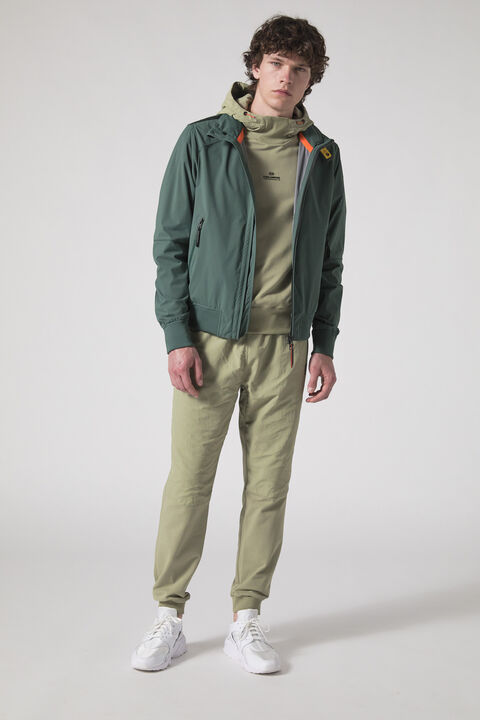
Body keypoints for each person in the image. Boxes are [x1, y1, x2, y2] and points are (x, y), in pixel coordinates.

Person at [131, 13, 347, 675]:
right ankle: (168, 617)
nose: (287, 77)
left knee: (268, 487)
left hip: (286, 347)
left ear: (311, 80)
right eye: (277, 63)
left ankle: (246, 618)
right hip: (209, 342)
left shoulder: (322, 154)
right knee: (189, 482)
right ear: (256, 66)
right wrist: (177, 336)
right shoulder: (204, 141)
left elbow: (330, 261)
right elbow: (170, 247)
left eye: (301, 69)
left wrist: (324, 342)